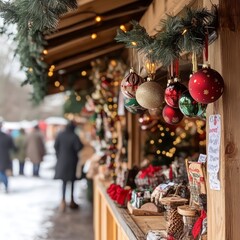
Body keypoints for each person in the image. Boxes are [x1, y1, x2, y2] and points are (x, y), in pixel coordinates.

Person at [54, 121, 83, 211]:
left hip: (62, 161)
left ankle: (62, 201)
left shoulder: (60, 135)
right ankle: (72, 201)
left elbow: (55, 146)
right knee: (72, 182)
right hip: (72, 161)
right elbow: (79, 147)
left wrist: (59, 155)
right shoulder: (74, 136)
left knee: (64, 182)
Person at [0, 118, 16, 192]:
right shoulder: (7, 137)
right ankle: (5, 186)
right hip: (4, 158)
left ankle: (5, 186)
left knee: (2, 173)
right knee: (3, 173)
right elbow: (13, 147)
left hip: (4, 158)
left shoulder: (6, 136)